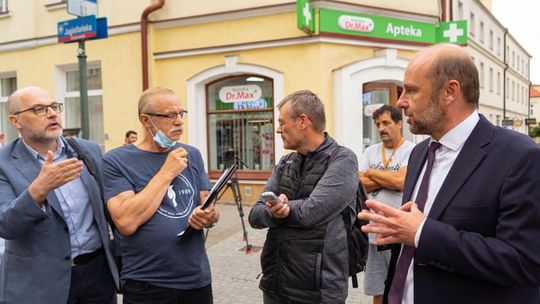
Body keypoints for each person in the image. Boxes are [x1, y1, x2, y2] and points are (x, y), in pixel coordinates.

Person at [358, 43, 540, 304]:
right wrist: (399, 231)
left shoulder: (518, 156)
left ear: (450, 91)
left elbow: (525, 262)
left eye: (411, 90)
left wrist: (422, 232)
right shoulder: (420, 153)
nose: (400, 102)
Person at [0, 86, 119, 304]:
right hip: (39, 284)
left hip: (97, 276)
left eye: (54, 107)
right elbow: (5, 225)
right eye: (39, 109)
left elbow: (109, 208)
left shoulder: (87, 150)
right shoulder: (4, 163)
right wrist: (38, 190)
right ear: (15, 121)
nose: (52, 113)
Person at [102, 87, 218, 304]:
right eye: (170, 115)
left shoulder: (191, 154)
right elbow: (126, 221)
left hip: (196, 280)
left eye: (180, 113)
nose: (179, 121)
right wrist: (166, 172)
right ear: (146, 120)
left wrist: (208, 216)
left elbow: (208, 206)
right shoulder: (115, 161)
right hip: (147, 283)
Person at [248, 90, 358, 304]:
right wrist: (275, 212)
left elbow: (312, 212)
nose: (278, 129)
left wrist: (284, 209)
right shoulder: (286, 162)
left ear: (302, 121)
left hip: (318, 291)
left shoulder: (343, 160)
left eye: (282, 122)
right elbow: (255, 215)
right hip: (275, 285)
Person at [358, 105, 414, 304]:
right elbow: (359, 182)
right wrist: (388, 178)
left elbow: (401, 182)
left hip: (399, 231)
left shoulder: (411, 150)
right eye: (378, 124)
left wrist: (371, 172)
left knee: (401, 284)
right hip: (374, 231)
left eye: (386, 123)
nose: (381, 128)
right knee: (378, 286)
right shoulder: (371, 150)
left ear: (399, 124)